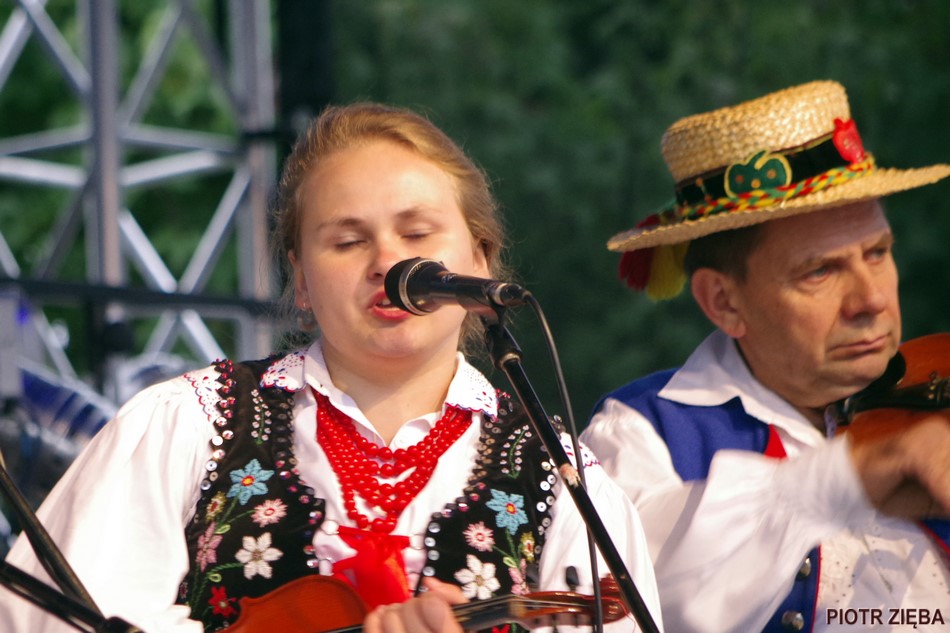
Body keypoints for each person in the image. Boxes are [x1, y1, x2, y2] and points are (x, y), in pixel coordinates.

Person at [0, 102, 661, 633]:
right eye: (347, 241)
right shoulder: (191, 424)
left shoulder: (563, 479)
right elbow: (43, 616)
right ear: (301, 280)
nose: (387, 262)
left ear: (480, 259)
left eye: (417, 233)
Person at [581, 81, 950, 632]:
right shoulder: (635, 438)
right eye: (820, 271)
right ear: (724, 302)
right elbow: (644, 599)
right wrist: (848, 477)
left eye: (877, 253)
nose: (872, 299)